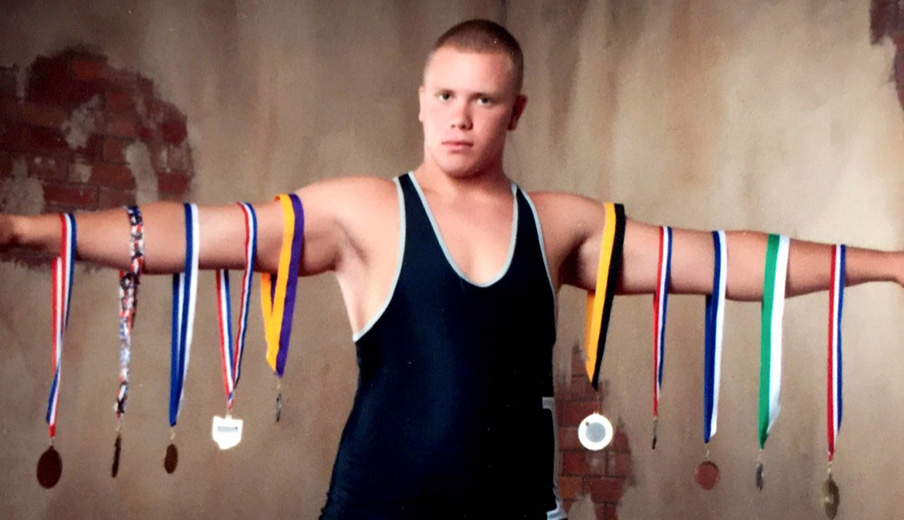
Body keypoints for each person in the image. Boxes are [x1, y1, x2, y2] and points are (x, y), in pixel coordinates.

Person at [1, 18, 902, 520]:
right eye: (443, 95)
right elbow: (202, 234)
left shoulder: (559, 224)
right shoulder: (363, 211)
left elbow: (722, 261)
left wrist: (889, 264)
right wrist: (41, 231)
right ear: (420, 101)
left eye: (482, 98)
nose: (459, 117)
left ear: (516, 110)